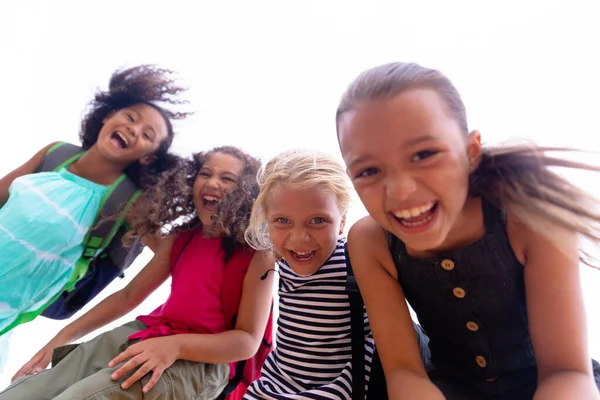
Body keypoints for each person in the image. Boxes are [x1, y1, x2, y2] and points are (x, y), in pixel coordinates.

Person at [336, 61, 600, 399]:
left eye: (424, 154)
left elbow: (566, 371)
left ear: (471, 151)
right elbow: (404, 370)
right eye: (369, 170)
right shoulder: (371, 243)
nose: (400, 191)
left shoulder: (532, 219)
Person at [0, 146, 275, 399]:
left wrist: (176, 346)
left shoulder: (257, 252)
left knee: (85, 395)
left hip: (204, 360)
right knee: (29, 391)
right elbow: (129, 296)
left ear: (246, 192)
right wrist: (61, 338)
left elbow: (247, 342)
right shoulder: (182, 239)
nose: (213, 183)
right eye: (205, 173)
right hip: (148, 333)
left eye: (227, 179)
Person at [0, 65, 189, 372]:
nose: (133, 129)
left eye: (147, 134)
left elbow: (177, 254)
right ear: (107, 116)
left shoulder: (129, 202)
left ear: (148, 158)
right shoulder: (56, 154)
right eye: (130, 117)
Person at [243, 149, 429, 399]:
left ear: (341, 222)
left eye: (317, 220)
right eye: (283, 221)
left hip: (341, 387)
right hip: (280, 383)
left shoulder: (357, 260)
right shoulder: (280, 257)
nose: (299, 239)